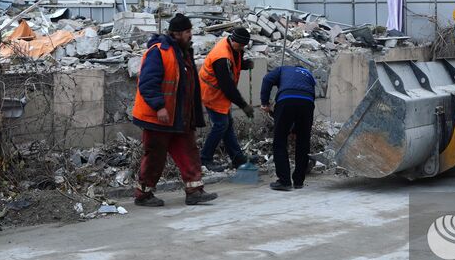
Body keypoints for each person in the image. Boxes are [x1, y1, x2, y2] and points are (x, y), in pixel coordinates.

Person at [131, 14, 217, 207]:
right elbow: (148, 83)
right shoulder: (158, 52)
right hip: (159, 117)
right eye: (187, 32)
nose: (191, 35)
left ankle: (194, 191)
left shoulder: (183, 52)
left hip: (179, 117)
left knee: (189, 152)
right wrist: (159, 107)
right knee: (155, 156)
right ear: (176, 34)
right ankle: (143, 194)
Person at [199, 27, 255, 171]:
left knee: (226, 124)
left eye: (244, 46)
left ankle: (237, 158)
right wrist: (243, 105)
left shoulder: (234, 47)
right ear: (233, 40)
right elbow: (227, 87)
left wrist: (244, 65)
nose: (242, 48)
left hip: (220, 94)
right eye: (241, 45)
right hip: (212, 93)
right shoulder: (221, 57)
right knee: (220, 125)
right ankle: (205, 158)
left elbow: (234, 64)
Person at [260, 63, 318, 191]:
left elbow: (267, 79)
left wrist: (265, 102)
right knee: (303, 141)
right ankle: (298, 181)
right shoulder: (308, 74)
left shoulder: (283, 69)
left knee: (279, 141)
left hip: (286, 99)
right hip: (307, 102)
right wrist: (295, 129)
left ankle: (284, 181)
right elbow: (308, 96)